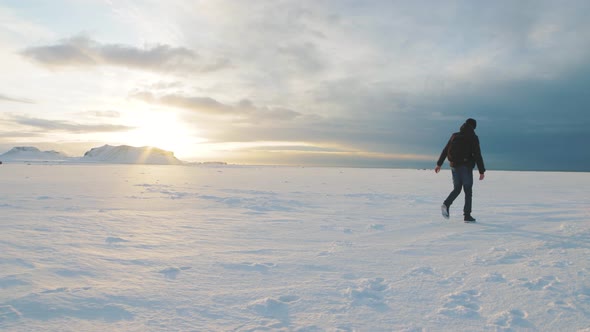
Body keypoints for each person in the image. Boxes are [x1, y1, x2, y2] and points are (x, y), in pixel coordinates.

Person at [435, 118, 485, 223]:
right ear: (473, 127)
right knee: (468, 191)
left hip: (454, 166)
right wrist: (481, 170)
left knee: (457, 189)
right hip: (466, 167)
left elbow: (445, 150)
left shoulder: (454, 135)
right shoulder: (473, 137)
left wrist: (439, 164)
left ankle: (446, 204)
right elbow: (477, 154)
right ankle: (467, 216)